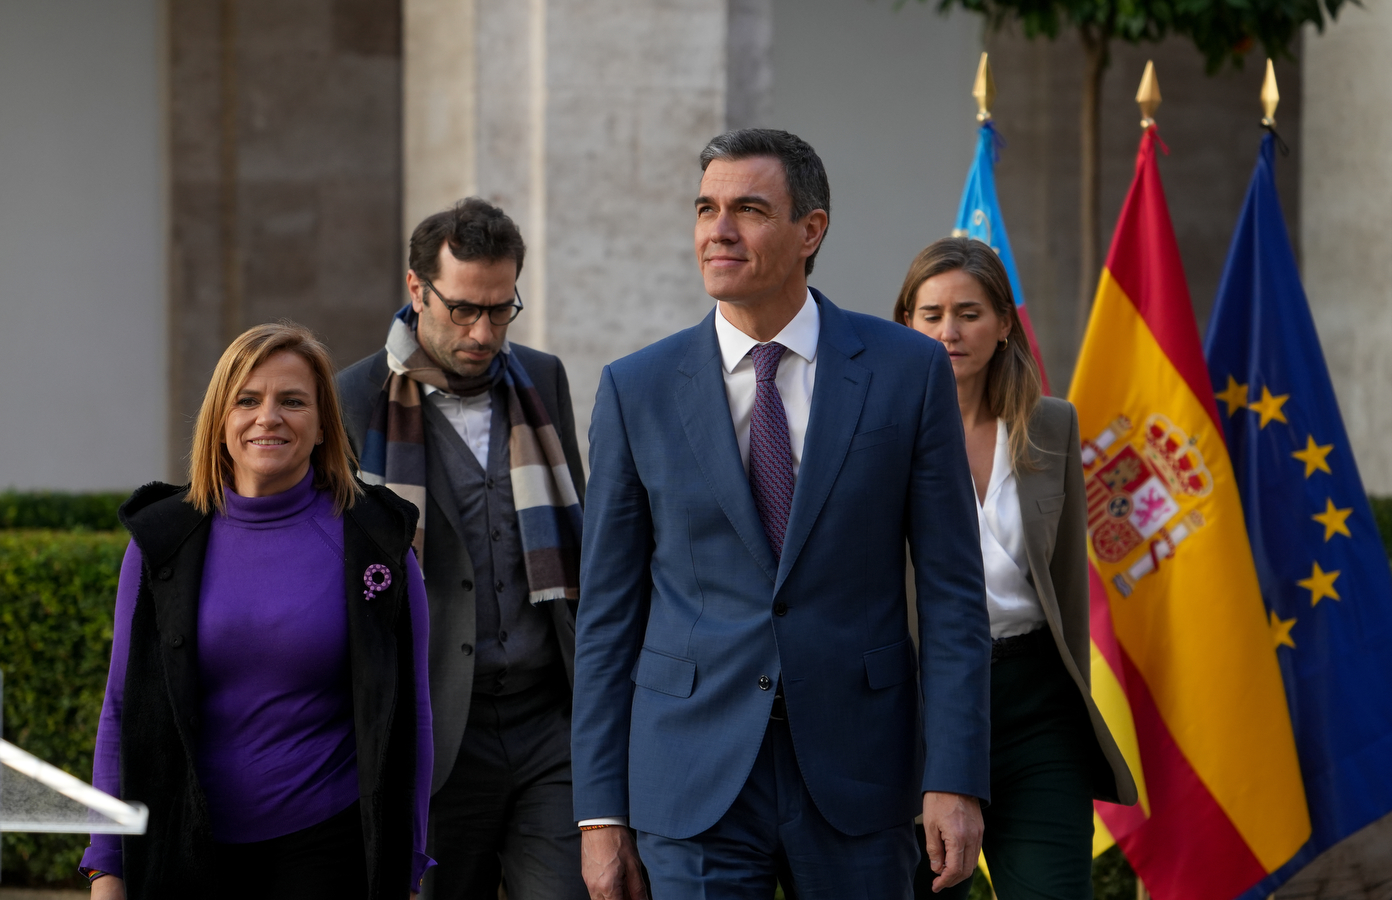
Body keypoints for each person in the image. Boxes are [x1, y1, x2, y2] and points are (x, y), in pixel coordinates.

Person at [571, 128, 992, 900]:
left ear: (811, 231)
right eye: (706, 208)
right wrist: (600, 814)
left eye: (749, 209)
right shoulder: (637, 388)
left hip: (863, 774)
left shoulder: (908, 372)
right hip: (688, 778)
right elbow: (606, 615)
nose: (718, 231)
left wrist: (954, 778)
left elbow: (954, 599)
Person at [81, 322, 433, 900]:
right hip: (186, 847)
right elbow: (123, 709)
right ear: (221, 420)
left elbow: (410, 715)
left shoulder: (378, 540)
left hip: (330, 847)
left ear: (323, 426)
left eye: (292, 401)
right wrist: (106, 864)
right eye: (247, 400)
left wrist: (407, 864)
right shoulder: (161, 540)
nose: (268, 416)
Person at [337, 199, 588, 900]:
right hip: (435, 729)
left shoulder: (545, 379)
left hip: (552, 724)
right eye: (464, 309)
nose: (484, 331)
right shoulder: (351, 400)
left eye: (502, 310)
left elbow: (579, 534)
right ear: (417, 289)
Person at [894, 237, 1138, 899]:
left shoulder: (1050, 427)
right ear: (906, 325)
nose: (949, 331)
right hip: (916, 704)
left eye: (969, 313)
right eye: (931, 313)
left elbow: (1063, 588)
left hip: (1035, 704)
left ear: (1005, 324)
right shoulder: (873, 439)